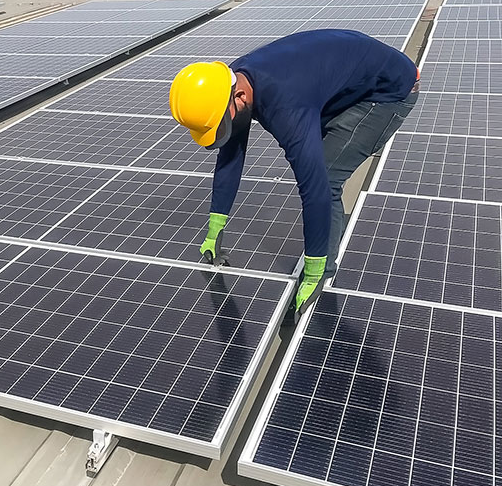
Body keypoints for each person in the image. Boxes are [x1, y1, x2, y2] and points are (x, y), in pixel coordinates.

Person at [168, 29, 419, 321]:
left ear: (239, 96)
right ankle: (322, 254)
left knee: (327, 174)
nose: (224, 129)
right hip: (344, 81)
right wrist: (215, 226)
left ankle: (324, 270)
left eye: (222, 123)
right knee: (320, 160)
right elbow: (231, 151)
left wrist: (312, 270)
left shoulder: (287, 105)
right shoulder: (230, 83)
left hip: (387, 92)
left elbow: (314, 188)